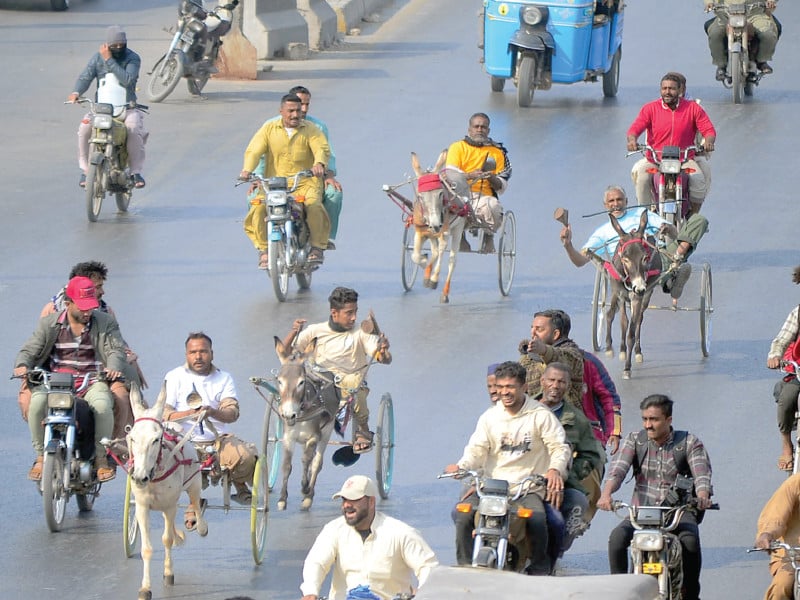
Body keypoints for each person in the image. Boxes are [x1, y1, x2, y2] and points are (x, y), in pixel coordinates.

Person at [444, 361, 571, 575]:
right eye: (500, 387)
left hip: (527, 488)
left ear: (524, 387)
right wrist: (461, 466)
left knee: (538, 519)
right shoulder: (490, 417)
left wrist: (554, 469)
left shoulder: (540, 415)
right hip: (492, 488)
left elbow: (560, 447)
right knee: (462, 514)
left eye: (510, 387)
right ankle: (464, 570)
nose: (504, 392)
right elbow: (476, 450)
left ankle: (540, 569)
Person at [597, 394, 714, 600]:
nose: (648, 425)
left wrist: (703, 495)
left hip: (677, 513)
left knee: (691, 542)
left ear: (668, 420)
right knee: (616, 539)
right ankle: (620, 590)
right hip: (641, 512)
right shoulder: (635, 440)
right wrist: (606, 495)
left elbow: (701, 474)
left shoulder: (688, 442)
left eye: (654, 419)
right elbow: (618, 469)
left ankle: (690, 593)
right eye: (645, 419)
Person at [17, 260, 147, 442]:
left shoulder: (104, 313)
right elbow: (36, 345)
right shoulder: (51, 312)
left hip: (95, 374)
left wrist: (120, 364)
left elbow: (115, 344)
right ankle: (42, 448)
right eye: (97, 287)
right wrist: (24, 366)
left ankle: (110, 447)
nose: (101, 292)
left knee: (124, 398)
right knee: (29, 400)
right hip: (54, 375)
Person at [13, 276, 127, 482]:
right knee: (37, 402)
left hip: (91, 381)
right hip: (55, 382)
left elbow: (115, 350)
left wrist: (113, 367)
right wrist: (23, 364)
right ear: (68, 303)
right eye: (82, 307)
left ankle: (101, 459)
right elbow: (30, 349)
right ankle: (40, 457)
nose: (87, 312)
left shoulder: (105, 322)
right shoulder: (49, 324)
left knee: (102, 406)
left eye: (90, 307)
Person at [282, 287, 391, 454]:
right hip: (320, 382)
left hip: (349, 384)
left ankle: (363, 429)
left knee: (357, 389)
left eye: (355, 312)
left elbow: (384, 359)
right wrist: (293, 332)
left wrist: (383, 351)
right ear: (334, 313)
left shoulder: (361, 334)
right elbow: (287, 353)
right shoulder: (314, 331)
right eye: (349, 313)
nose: (354, 317)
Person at [162, 332, 258, 523]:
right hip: (182, 440)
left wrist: (211, 412)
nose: (198, 356)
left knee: (246, 458)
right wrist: (190, 413)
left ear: (211, 354)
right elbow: (165, 414)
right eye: (193, 352)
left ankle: (238, 483)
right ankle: (193, 501)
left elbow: (232, 413)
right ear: (186, 355)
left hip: (217, 440)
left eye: (203, 352)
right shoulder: (174, 377)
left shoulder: (224, 378)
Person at [560, 184, 709, 305]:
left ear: (627, 201)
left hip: (658, 256)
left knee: (699, 221)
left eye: (619, 199)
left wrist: (667, 228)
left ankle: (675, 262)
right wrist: (568, 244)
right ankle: (669, 279)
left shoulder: (641, 213)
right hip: (628, 269)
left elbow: (673, 232)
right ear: (605, 205)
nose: (616, 204)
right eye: (611, 201)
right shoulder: (602, 232)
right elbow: (580, 261)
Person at [300, 474, 438, 600]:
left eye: (354, 499)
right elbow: (316, 562)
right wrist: (311, 591)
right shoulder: (334, 530)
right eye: (344, 499)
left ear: (371, 502)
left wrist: (424, 593)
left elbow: (428, 568)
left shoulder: (400, 532)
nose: (347, 505)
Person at [240, 93, 331, 268]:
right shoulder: (269, 128)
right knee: (258, 208)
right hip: (274, 185)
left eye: (298, 110)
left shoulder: (311, 129)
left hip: (305, 183)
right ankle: (264, 250)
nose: (295, 115)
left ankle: (317, 247)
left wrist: (319, 163)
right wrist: (247, 170)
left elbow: (322, 148)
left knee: (313, 206)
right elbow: (254, 150)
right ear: (281, 111)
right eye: (290, 111)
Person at [536, 363, 606, 551]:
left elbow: (591, 455)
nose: (555, 386)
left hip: (560, 483)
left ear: (567, 386)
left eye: (561, 382)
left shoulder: (577, 419)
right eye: (551, 380)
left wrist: (569, 474)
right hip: (522, 480)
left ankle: (555, 553)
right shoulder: (524, 410)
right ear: (542, 381)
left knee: (578, 504)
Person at [67, 25, 147, 189]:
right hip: (101, 108)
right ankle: (85, 169)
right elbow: (86, 76)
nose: (118, 48)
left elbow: (128, 80)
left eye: (121, 45)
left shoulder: (132, 58)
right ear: (107, 44)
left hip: (126, 107)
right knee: (84, 129)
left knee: (133, 129)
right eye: (114, 45)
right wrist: (76, 91)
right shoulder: (97, 58)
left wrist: (109, 59)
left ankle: (135, 172)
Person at [626, 72, 716, 215]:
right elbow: (635, 128)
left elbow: (708, 130)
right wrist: (632, 140)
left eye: (672, 89)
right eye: (664, 88)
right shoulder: (650, 108)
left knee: (698, 180)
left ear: (680, 91)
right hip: (655, 160)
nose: (667, 92)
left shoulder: (693, 108)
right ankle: (645, 217)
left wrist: (709, 142)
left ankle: (693, 217)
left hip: (684, 161)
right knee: (642, 178)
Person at [445, 112, 512, 254]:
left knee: (493, 206)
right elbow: (450, 174)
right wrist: (470, 175)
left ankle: (489, 235)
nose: (480, 130)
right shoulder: (457, 147)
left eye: (483, 127)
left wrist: (490, 176)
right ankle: (460, 235)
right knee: (444, 205)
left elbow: (502, 185)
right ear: (469, 129)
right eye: (476, 126)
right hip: (459, 194)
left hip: (484, 197)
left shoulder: (498, 152)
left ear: (488, 130)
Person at [767, 265, 800, 472]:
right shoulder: (799, 313)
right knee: (787, 399)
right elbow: (781, 339)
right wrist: (775, 355)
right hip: (799, 374)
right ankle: (787, 444)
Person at [518, 309, 584, 408]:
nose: (533, 333)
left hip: (564, 418)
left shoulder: (573, 355)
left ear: (555, 334)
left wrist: (544, 350)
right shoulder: (528, 359)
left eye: (539, 329)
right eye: (532, 328)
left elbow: (562, 358)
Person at [704, 0, 780, 80]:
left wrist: (771, 1)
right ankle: (721, 65)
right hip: (726, 13)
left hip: (755, 13)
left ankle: (761, 61)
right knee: (715, 34)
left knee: (768, 34)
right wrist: (709, 3)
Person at [754, 473, 800, 600]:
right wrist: (767, 534)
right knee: (781, 588)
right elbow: (776, 516)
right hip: (793, 557)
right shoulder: (795, 483)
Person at [582, 350, 622, 455]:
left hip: (590, 440)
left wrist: (614, 430)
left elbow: (609, 397)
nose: (533, 332)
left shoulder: (588, 361)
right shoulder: (533, 362)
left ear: (556, 334)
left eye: (540, 331)